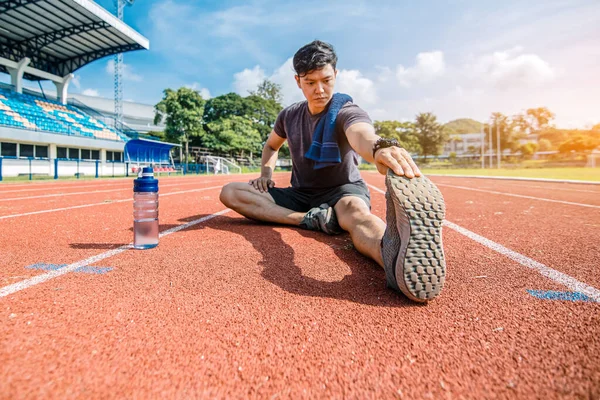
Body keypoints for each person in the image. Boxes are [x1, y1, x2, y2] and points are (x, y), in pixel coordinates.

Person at [220, 40, 446, 302]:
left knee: (356, 213)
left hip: (343, 190)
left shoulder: (345, 111)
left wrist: (379, 148)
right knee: (231, 192)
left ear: (336, 75)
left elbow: (361, 134)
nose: (319, 89)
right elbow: (271, 146)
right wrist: (266, 175)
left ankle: (393, 258)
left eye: (326, 80)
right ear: (297, 81)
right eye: (310, 82)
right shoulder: (288, 115)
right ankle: (311, 219)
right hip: (301, 193)